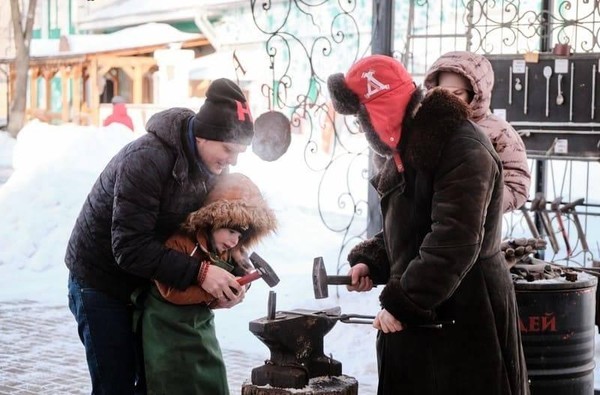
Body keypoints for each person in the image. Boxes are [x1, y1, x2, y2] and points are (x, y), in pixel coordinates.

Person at [327, 55, 529, 394]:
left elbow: (455, 240)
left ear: (381, 111)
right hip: (424, 312)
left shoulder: (463, 146)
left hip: (466, 313)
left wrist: (404, 302)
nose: (364, 131)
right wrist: (373, 259)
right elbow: (411, 222)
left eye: (364, 120)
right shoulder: (407, 145)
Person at [66, 78, 255, 394]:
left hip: (145, 282)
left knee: (153, 381)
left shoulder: (209, 168)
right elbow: (128, 247)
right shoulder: (147, 158)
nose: (232, 160)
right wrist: (201, 273)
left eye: (239, 153)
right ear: (205, 136)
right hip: (101, 281)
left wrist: (233, 267)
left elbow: (200, 231)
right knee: (116, 385)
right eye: (228, 149)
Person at [140, 172, 277, 395]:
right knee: (171, 382)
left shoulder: (229, 249)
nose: (234, 240)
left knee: (212, 380)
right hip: (165, 328)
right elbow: (170, 291)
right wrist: (213, 294)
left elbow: (242, 268)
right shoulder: (181, 242)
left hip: (200, 326)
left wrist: (243, 284)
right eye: (231, 231)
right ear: (213, 221)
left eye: (240, 236)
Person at [423, 51, 531, 213]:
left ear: (475, 94)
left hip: (475, 229)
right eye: (443, 93)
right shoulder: (426, 125)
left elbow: (517, 186)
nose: (450, 99)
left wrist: (478, 204)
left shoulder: (499, 131)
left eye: (458, 93)